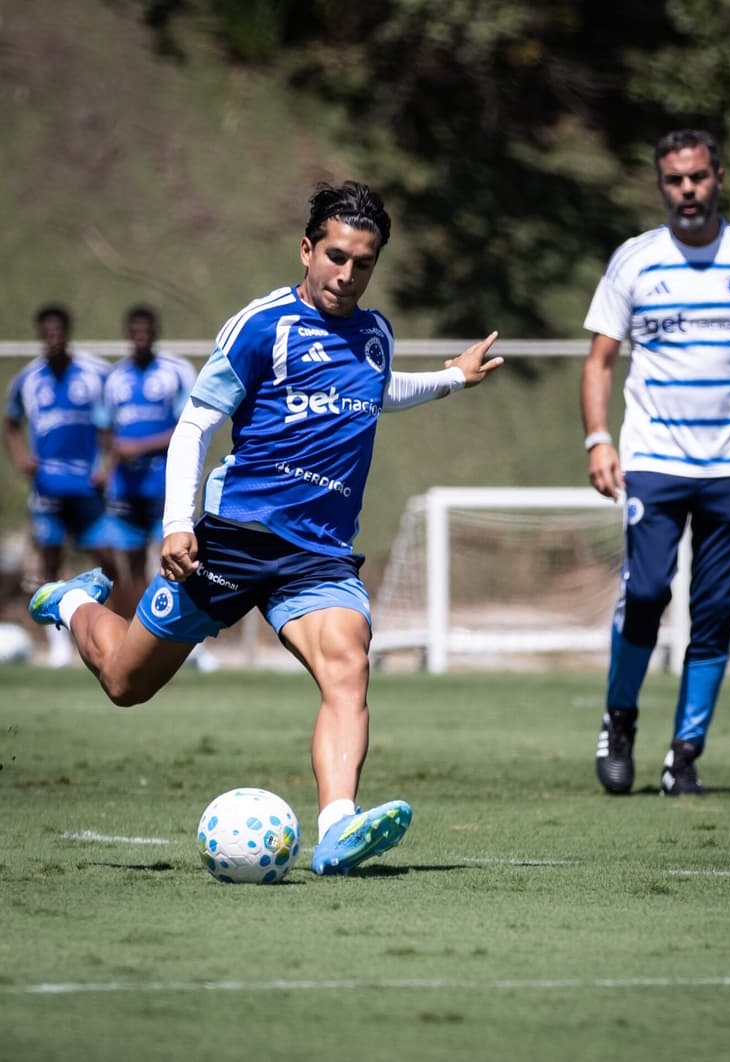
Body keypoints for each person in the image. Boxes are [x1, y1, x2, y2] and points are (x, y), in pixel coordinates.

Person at [28, 180, 503, 872]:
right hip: (232, 538)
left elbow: (377, 389)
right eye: (335, 256)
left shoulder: (373, 334)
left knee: (348, 660)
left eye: (363, 263)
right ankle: (71, 600)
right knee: (126, 683)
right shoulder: (262, 327)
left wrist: (450, 379)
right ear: (306, 249)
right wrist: (177, 525)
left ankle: (337, 827)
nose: (347, 274)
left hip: (318, 553)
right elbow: (196, 423)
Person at [581, 129, 730, 796]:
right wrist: (599, 438)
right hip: (653, 459)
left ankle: (684, 755)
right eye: (675, 180)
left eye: (698, 178)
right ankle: (620, 718)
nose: (687, 191)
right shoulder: (635, 261)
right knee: (646, 593)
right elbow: (599, 360)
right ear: (661, 185)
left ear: (718, 178)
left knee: (713, 611)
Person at [4, 305, 117, 667]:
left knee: (106, 558)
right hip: (48, 486)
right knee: (50, 559)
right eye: (47, 333)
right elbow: (10, 423)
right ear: (41, 335)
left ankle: (112, 630)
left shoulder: (95, 372)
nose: (53, 339)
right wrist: (21, 458)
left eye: (58, 333)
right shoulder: (28, 379)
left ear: (67, 333)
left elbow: (116, 418)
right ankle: (60, 645)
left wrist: (107, 464)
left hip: (86, 485)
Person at [103, 306, 197, 619]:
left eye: (146, 332)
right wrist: (110, 458)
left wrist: (140, 447)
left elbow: (188, 427)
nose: (140, 339)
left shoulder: (176, 371)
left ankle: (179, 632)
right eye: (135, 333)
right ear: (128, 335)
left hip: (163, 484)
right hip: (126, 487)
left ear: (155, 334)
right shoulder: (115, 377)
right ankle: (138, 628)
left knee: (169, 559)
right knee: (130, 563)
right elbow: (104, 426)